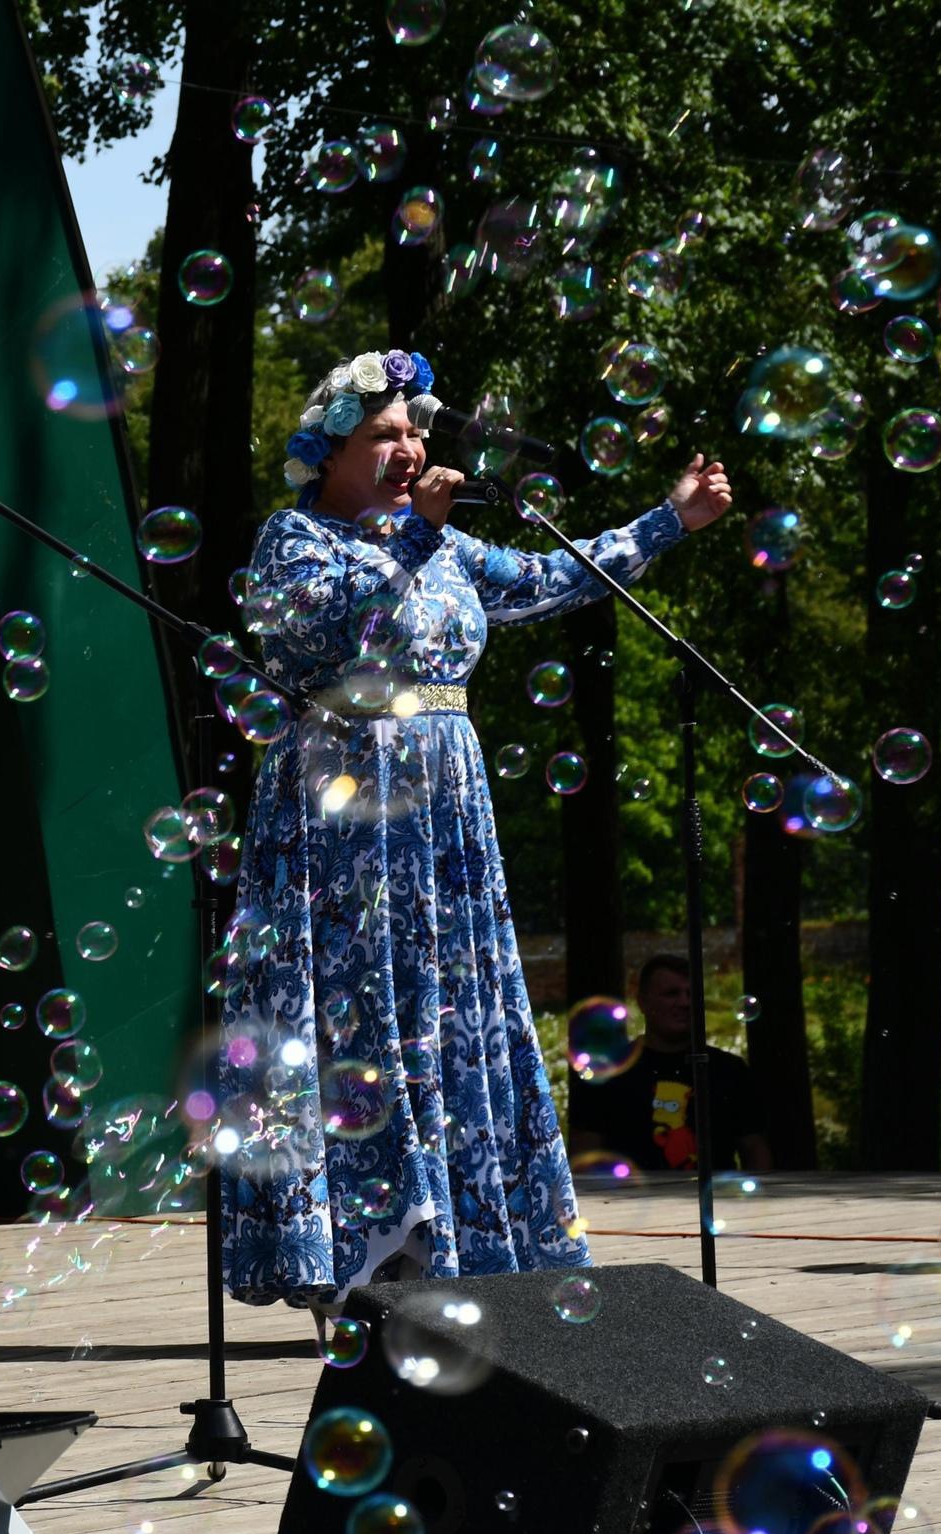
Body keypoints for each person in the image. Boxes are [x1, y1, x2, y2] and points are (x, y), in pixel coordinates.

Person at [216, 347, 732, 1309]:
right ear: (327, 454)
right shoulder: (294, 541)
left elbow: (551, 578)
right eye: (383, 433)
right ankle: (365, 1248)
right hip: (344, 831)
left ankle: (454, 1233)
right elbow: (330, 634)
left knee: (448, 1021)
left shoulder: (443, 543)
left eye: (414, 429)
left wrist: (673, 520)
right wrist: (414, 538)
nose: (408, 445)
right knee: (363, 1021)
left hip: (444, 827)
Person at [571, 953, 774, 1176]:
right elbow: (585, 1153)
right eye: (671, 994)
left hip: (719, 1206)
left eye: (691, 994)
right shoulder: (609, 1072)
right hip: (626, 1205)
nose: (685, 1002)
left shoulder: (730, 1070)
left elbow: (754, 1149)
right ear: (643, 1002)